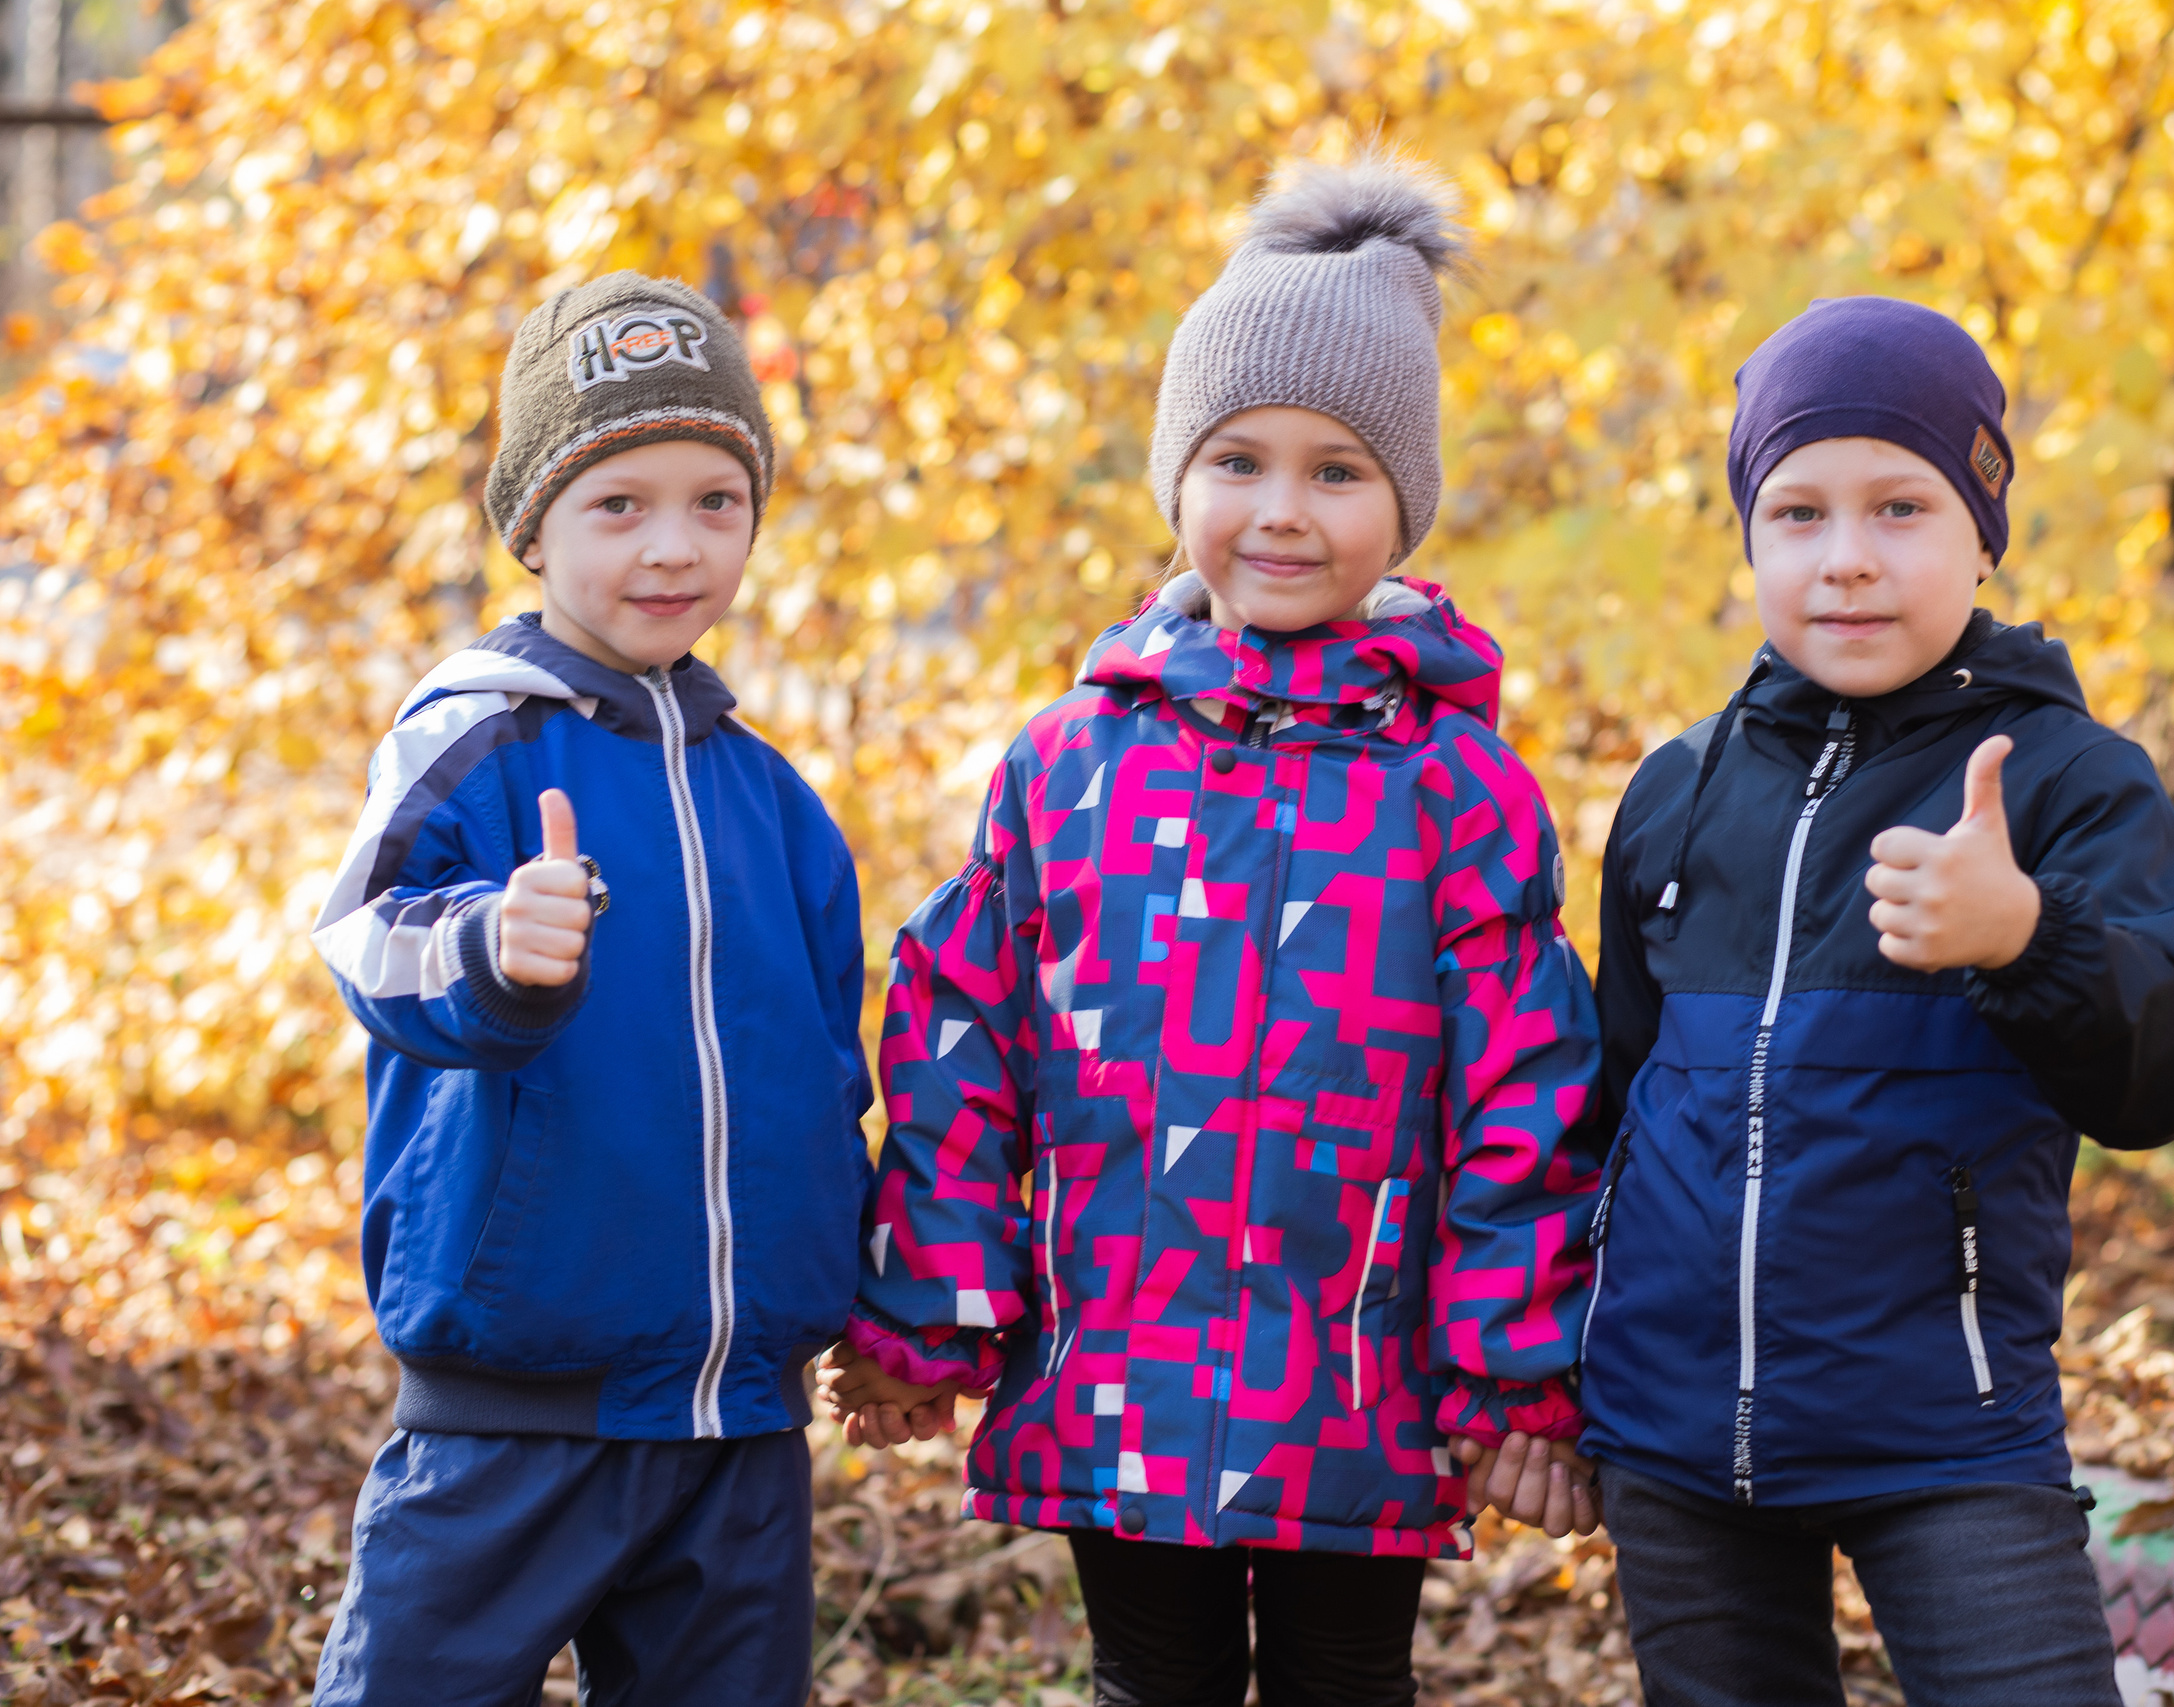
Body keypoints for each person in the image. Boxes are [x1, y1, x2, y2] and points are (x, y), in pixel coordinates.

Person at [817, 154, 1602, 1707]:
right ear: (1179, 483)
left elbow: (1529, 1088)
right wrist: (930, 1305)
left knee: (1345, 1685)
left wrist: (1514, 1366)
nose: (1283, 513)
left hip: (1358, 1367)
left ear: (1404, 504)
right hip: (1118, 1353)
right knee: (1149, 1680)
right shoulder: (1068, 763)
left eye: (1337, 472)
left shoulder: (1459, 787)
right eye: (1239, 462)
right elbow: (962, 1040)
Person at [1575, 296, 2174, 1707]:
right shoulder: (1676, 793)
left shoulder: (2066, 778)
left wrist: (2026, 937)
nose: (1849, 560)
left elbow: (2167, 1079)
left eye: (1901, 508)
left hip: (1949, 1433)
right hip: (1678, 1443)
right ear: (1749, 538)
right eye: (1799, 514)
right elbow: (1604, 1106)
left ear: (1983, 531)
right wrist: (1553, 1377)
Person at [307, 273, 869, 1705]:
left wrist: (858, 1299)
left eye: (715, 501)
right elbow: (366, 935)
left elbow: (824, 1082)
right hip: (516, 1407)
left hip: (740, 1423)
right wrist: (494, 946)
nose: (674, 547)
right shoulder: (477, 744)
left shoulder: (777, 803)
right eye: (618, 503)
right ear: (534, 527)